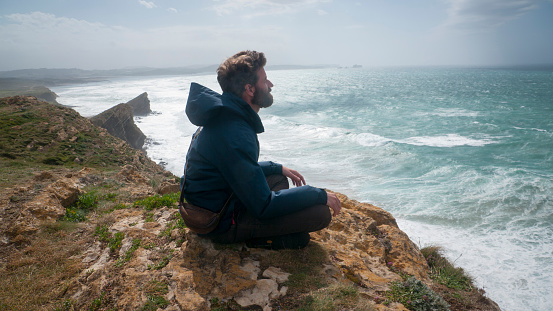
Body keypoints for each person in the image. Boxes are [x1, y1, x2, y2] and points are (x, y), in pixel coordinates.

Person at [181, 50, 341, 249]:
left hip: (217, 200)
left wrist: (277, 167)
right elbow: (264, 205)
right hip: (217, 221)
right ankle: (255, 238)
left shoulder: (224, 115)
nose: (270, 84)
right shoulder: (234, 132)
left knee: (278, 178)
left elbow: (237, 167)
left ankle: (268, 228)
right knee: (320, 214)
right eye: (265, 80)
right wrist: (319, 194)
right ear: (250, 89)